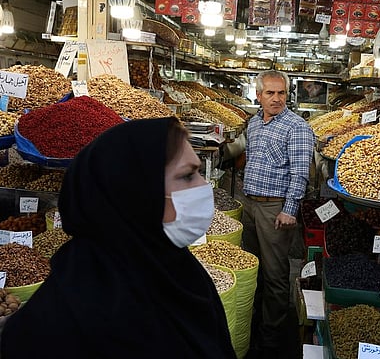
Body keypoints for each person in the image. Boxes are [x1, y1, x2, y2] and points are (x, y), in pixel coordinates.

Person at [0, 117, 236, 359]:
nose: (203, 186)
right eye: (187, 175)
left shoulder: (180, 271)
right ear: (136, 193)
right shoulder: (57, 324)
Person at [241, 70, 315, 358]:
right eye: (269, 93)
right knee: (255, 265)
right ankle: (256, 319)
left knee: (274, 273)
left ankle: (271, 337)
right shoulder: (254, 123)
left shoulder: (296, 127)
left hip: (275, 208)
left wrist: (289, 209)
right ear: (258, 96)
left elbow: (300, 174)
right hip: (250, 204)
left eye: (281, 93)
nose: (276, 98)